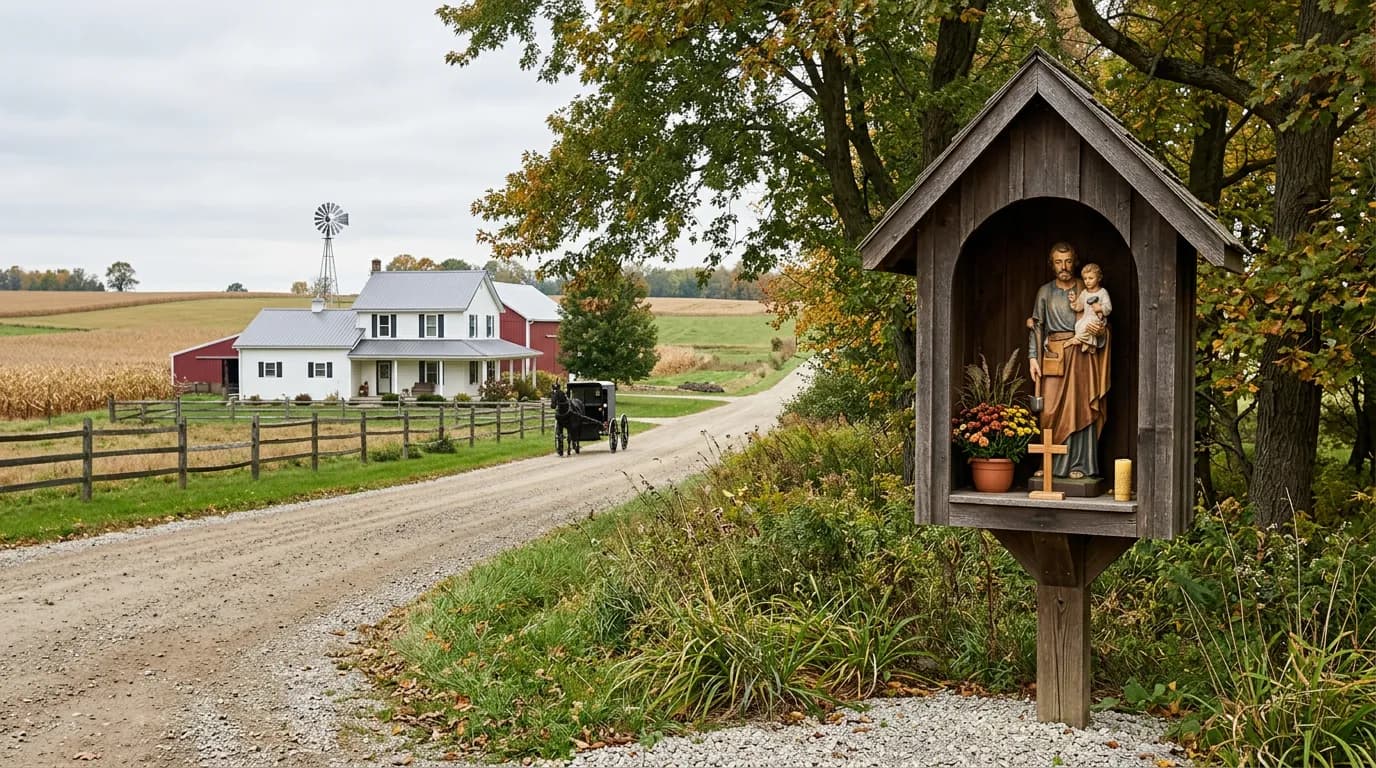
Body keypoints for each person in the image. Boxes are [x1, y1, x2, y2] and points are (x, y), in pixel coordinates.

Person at [1027, 242, 1111, 479]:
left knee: (1081, 406)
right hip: (1054, 354)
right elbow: (1036, 326)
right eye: (1058, 262)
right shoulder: (1045, 292)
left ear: (1074, 262)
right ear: (1051, 264)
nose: (1063, 267)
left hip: (1082, 355)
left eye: (1067, 261)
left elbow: (1101, 320)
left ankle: (1080, 464)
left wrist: (1100, 331)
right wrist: (1033, 357)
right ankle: (1050, 464)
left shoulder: (1087, 287)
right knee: (1049, 410)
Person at [1070, 263, 1111, 352]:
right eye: (1085, 279)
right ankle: (1088, 343)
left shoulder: (1102, 292)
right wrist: (1074, 301)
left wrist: (1100, 308)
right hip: (1087, 317)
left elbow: (1108, 308)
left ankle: (1082, 340)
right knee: (1078, 325)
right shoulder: (1085, 293)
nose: (1087, 281)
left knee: (1087, 326)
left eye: (1091, 278)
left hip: (1097, 319)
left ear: (1099, 278)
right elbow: (1079, 306)